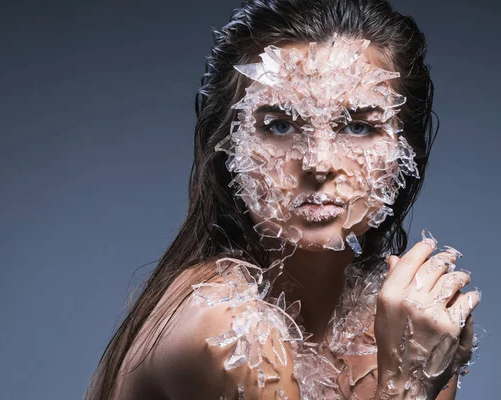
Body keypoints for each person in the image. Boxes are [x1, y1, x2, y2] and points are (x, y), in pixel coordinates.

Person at [86, 1, 481, 399]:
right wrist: (409, 384)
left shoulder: (401, 325)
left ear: (406, 150)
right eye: (280, 125)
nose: (318, 163)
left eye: (358, 127)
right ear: (229, 144)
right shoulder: (227, 329)